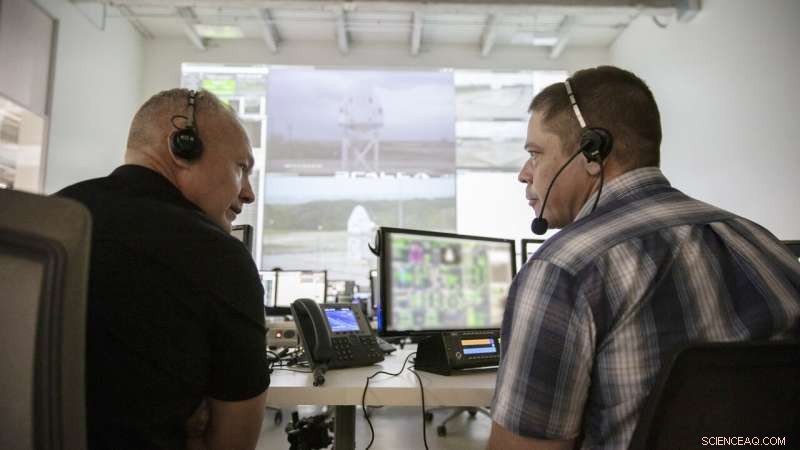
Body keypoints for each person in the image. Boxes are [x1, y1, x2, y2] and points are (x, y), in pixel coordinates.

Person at [488, 66, 800, 450]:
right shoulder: (764, 244)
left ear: (592, 152)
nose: (524, 174)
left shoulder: (564, 269)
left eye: (535, 154)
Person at [57, 89, 269, 450]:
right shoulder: (220, 257)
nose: (248, 193)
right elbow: (233, 444)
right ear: (182, 147)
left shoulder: (48, 220)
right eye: (241, 168)